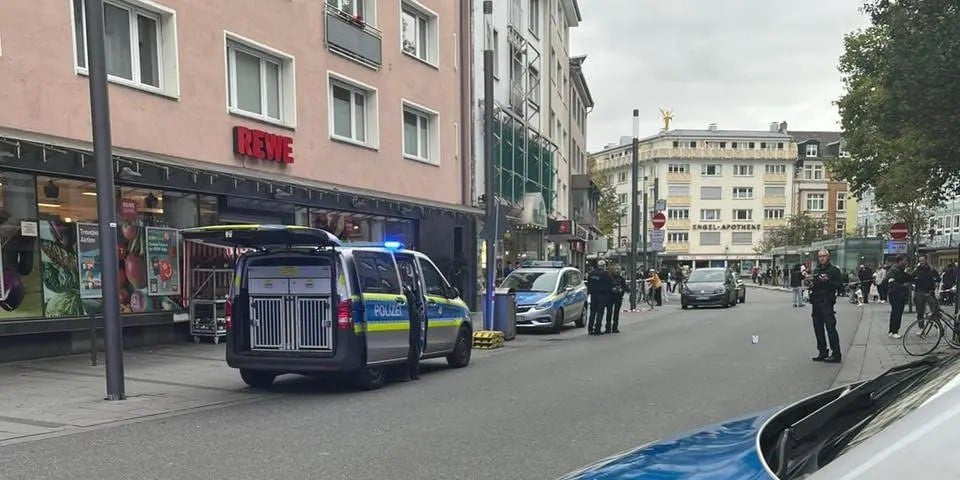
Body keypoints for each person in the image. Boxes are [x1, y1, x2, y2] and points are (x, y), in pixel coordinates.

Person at [808, 249, 844, 363]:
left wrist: (828, 281)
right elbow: (814, 285)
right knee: (818, 329)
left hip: (827, 302)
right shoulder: (817, 270)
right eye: (820, 256)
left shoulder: (834, 270)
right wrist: (811, 283)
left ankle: (836, 353)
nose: (822, 258)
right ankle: (822, 351)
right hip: (816, 302)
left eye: (824, 256)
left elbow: (840, 286)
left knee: (830, 329)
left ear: (828, 257)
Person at [885, 254, 912, 338]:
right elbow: (891, 282)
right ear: (900, 261)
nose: (906, 262)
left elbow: (909, 278)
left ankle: (892, 331)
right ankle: (894, 331)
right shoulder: (894, 270)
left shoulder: (902, 270)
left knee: (896, 312)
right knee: (897, 312)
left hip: (899, 294)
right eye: (905, 260)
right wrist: (903, 286)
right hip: (895, 294)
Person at [912, 254, 939, 329]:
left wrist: (935, 283)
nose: (921, 262)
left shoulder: (931, 269)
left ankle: (938, 326)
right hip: (919, 293)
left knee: (935, 309)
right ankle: (921, 327)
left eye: (923, 260)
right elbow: (911, 278)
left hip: (930, 292)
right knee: (920, 311)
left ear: (926, 260)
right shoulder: (917, 270)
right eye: (920, 261)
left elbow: (938, 278)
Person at [586, 260, 613, 335]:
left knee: (592, 312)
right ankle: (597, 329)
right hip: (602, 295)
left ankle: (590, 329)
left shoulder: (591, 273)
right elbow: (610, 283)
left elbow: (589, 284)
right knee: (600, 312)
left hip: (593, 295)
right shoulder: (605, 274)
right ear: (604, 266)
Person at [606, 265, 628, 333]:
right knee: (609, 312)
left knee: (616, 312)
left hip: (618, 297)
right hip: (610, 297)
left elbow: (626, 288)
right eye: (616, 269)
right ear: (612, 270)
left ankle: (615, 327)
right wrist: (611, 289)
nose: (617, 271)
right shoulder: (609, 278)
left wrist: (621, 289)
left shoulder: (622, 279)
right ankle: (608, 328)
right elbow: (606, 287)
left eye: (618, 269)